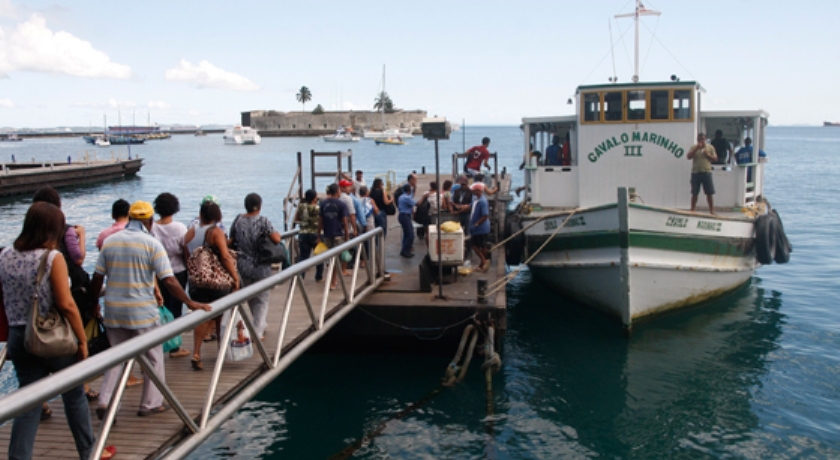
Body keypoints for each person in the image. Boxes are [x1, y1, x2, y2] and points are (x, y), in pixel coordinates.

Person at [0, 202, 112, 460]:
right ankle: (89, 452)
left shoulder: (5, 255)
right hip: (53, 337)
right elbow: (65, 303)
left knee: (28, 402)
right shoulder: (52, 257)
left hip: (19, 336)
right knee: (73, 395)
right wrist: (82, 341)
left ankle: (19, 457)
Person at [91, 201, 210, 420]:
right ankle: (150, 404)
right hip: (142, 313)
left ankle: (106, 400)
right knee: (153, 357)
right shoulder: (152, 243)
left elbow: (97, 277)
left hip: (114, 311)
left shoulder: (109, 242)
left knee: (115, 358)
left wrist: (93, 305)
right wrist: (190, 303)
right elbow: (170, 281)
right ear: (149, 220)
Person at [184, 201, 239, 370]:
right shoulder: (216, 232)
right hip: (217, 282)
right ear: (217, 215)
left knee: (201, 316)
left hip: (197, 281)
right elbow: (224, 256)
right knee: (220, 317)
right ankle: (220, 352)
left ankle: (196, 352)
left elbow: (185, 252)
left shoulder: (191, 232)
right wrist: (235, 278)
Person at [228, 193, 281, 339]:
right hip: (261, 266)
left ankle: (259, 325)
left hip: (243, 265)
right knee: (262, 299)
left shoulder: (238, 220)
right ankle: (257, 332)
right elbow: (276, 239)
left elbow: (230, 240)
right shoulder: (263, 221)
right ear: (260, 205)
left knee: (251, 297)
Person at [151, 193, 191, 358]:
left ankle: (159, 344)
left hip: (159, 273)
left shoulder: (152, 228)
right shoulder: (180, 228)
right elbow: (185, 250)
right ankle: (174, 346)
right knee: (176, 309)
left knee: (161, 308)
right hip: (178, 272)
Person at [319, 183, 351, 290]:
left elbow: (320, 221)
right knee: (336, 259)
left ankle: (333, 279)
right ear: (337, 191)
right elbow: (345, 222)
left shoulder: (323, 204)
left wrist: (319, 235)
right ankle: (333, 281)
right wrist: (347, 237)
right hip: (338, 234)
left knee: (330, 258)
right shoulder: (342, 205)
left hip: (327, 235)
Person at [294, 189, 324, 281]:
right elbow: (321, 221)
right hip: (316, 234)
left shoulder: (301, 207)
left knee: (303, 257)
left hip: (303, 233)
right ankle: (318, 277)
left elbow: (297, 218)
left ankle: (300, 276)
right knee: (320, 256)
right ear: (314, 198)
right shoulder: (318, 208)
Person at [687, 133, 718, 214]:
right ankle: (692, 210)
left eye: (702, 139)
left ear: (705, 139)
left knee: (709, 193)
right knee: (694, 193)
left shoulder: (710, 147)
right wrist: (697, 148)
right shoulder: (693, 147)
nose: (701, 141)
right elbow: (688, 157)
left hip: (706, 172)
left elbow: (715, 159)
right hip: (696, 172)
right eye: (699, 139)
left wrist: (708, 155)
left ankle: (711, 210)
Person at [469, 183, 491, 272]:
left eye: (474, 190)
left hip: (481, 228)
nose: (472, 191)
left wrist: (477, 224)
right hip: (475, 227)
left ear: (478, 191)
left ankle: (483, 261)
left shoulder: (483, 201)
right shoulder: (474, 199)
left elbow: (485, 215)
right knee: (481, 245)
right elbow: (471, 207)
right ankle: (482, 264)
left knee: (475, 245)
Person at [397, 183, 417, 258]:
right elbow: (416, 203)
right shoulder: (407, 198)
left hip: (402, 215)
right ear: (409, 190)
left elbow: (411, 199)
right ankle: (406, 251)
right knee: (410, 235)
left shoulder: (402, 196)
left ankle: (405, 250)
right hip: (405, 216)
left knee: (406, 234)